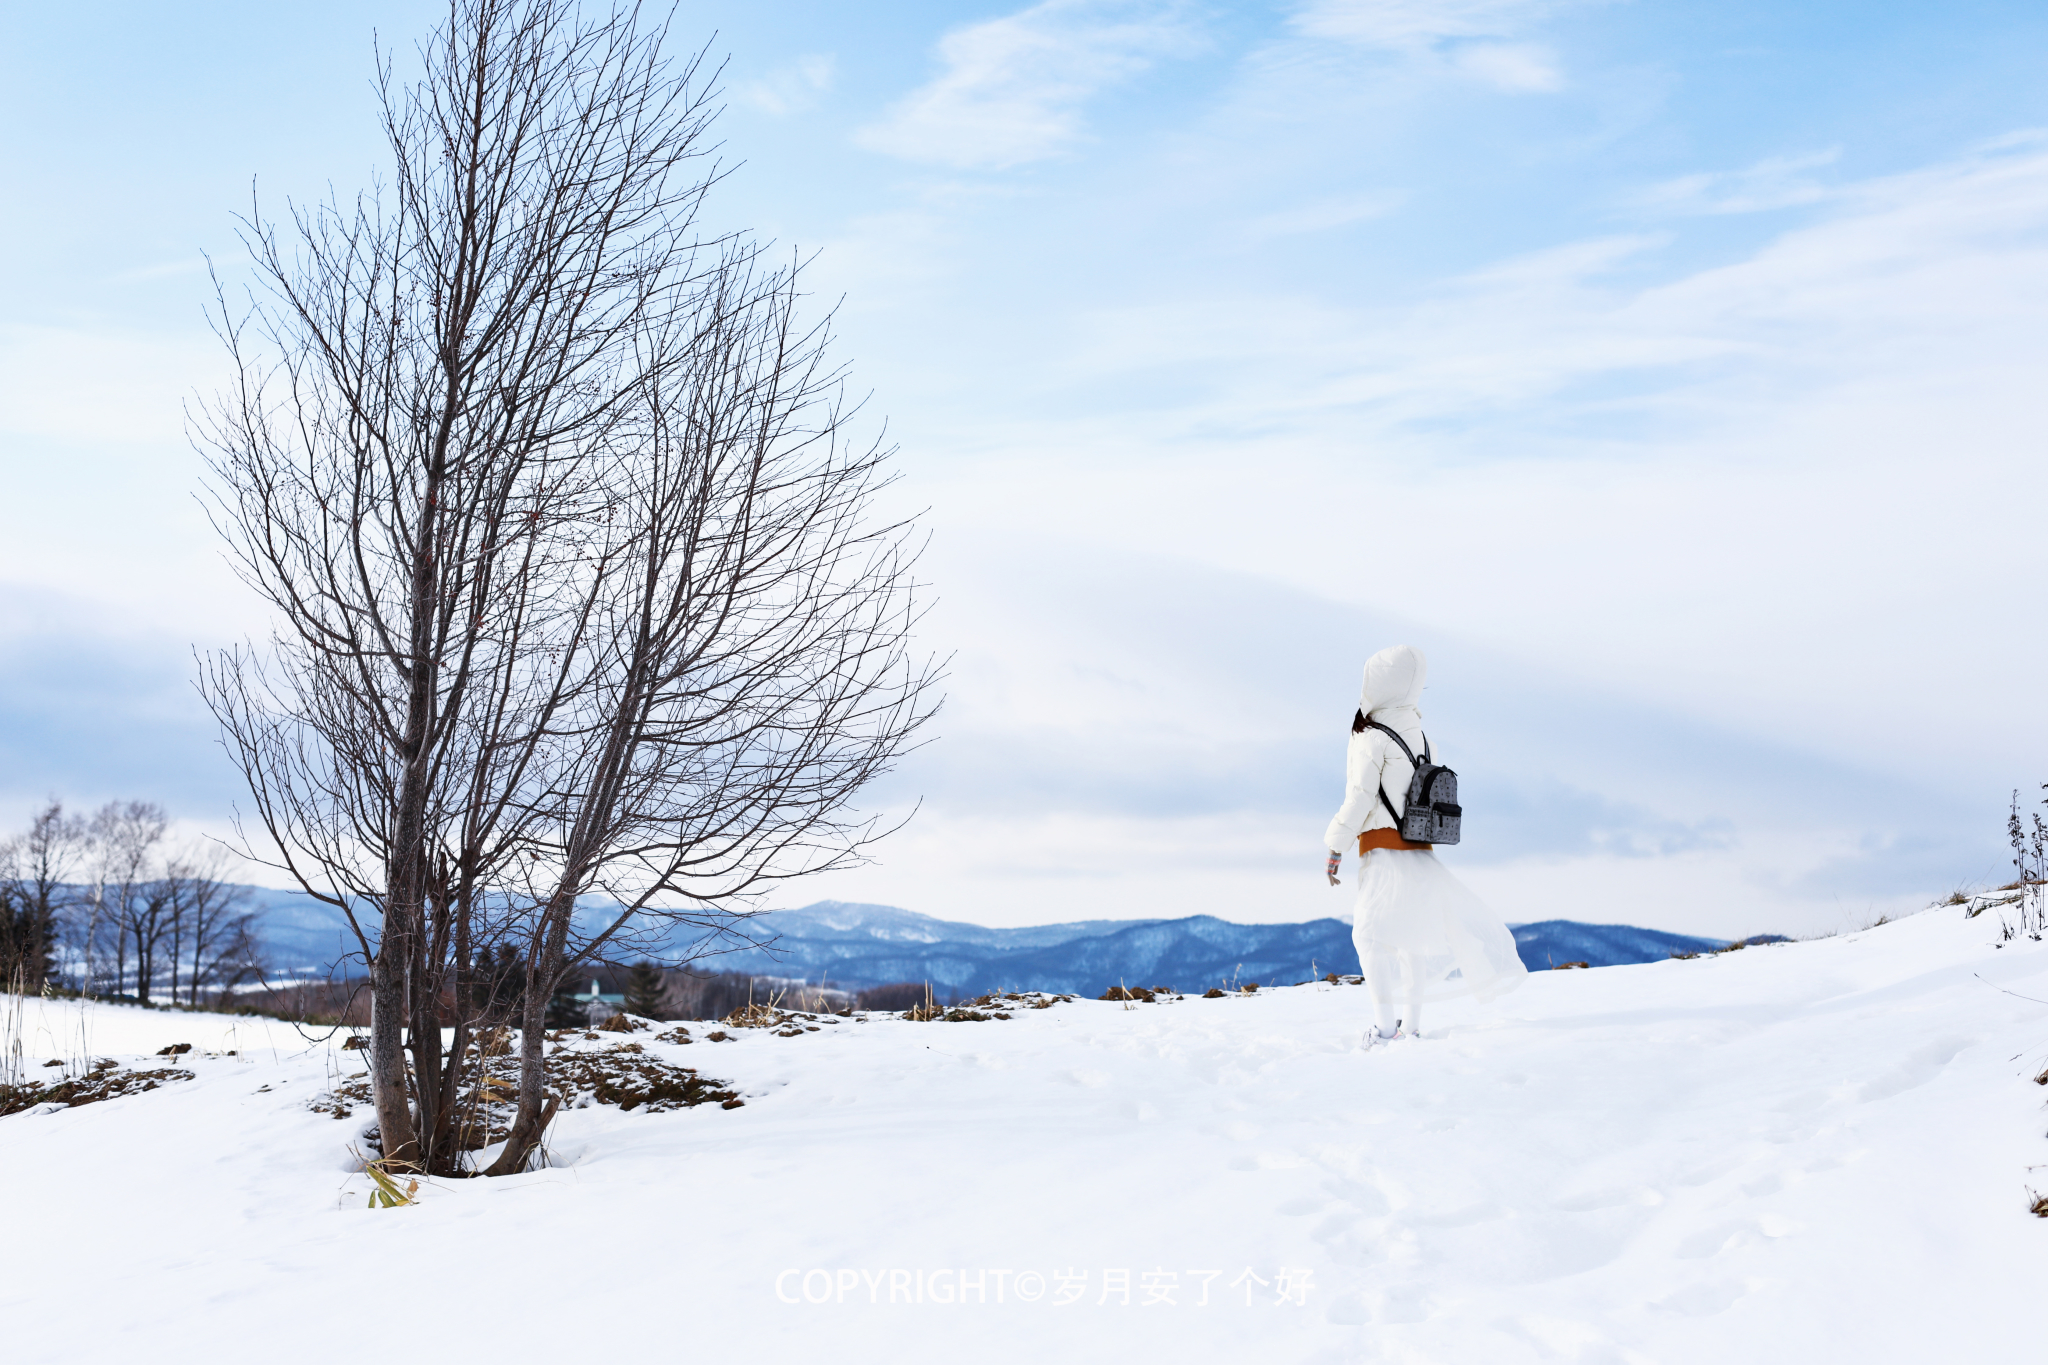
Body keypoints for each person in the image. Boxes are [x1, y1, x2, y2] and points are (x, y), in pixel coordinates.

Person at [1323, 644, 1525, 1048]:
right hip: (1419, 850)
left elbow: (1361, 796)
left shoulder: (1370, 735)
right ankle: (1410, 1027)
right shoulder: (1418, 733)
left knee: (1369, 937)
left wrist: (1335, 845)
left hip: (1382, 849)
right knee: (1410, 939)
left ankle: (1383, 1030)